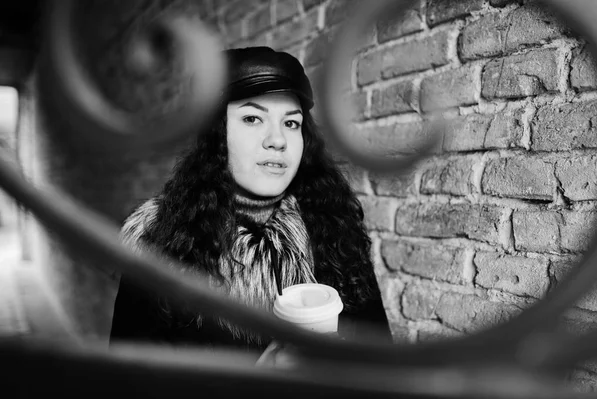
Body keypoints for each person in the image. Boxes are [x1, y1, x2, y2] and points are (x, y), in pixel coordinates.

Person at [110, 46, 392, 353]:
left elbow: (383, 362)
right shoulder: (157, 245)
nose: (277, 140)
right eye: (252, 119)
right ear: (215, 134)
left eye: (291, 123)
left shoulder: (334, 229)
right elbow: (129, 381)